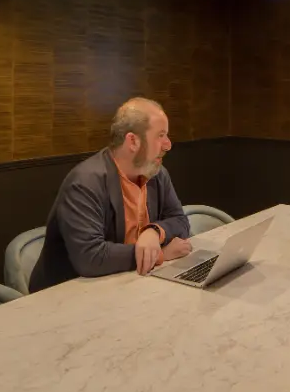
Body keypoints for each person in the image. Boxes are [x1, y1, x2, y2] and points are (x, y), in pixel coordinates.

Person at [29, 98, 191, 292]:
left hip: (127, 286)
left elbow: (181, 221)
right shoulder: (85, 182)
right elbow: (90, 257)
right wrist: (160, 254)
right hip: (65, 298)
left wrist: (153, 232)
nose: (168, 145)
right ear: (133, 141)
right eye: (160, 135)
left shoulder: (156, 173)